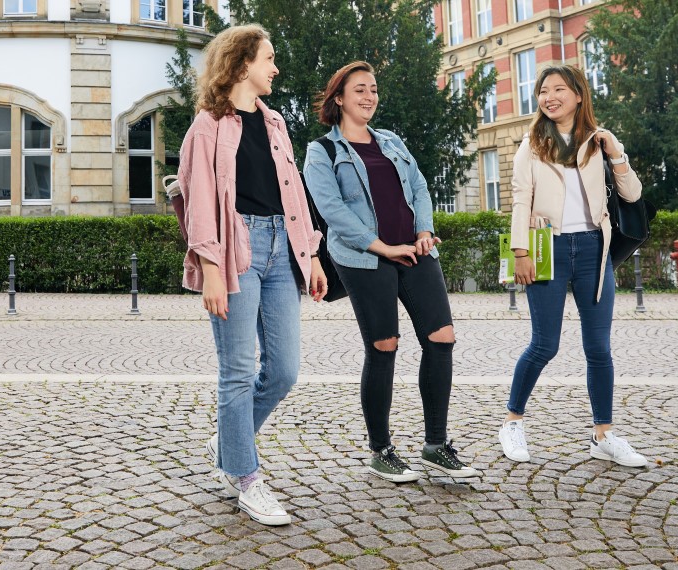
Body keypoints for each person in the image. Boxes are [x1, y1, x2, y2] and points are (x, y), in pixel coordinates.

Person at [177, 24, 328, 526]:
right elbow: (199, 204)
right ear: (242, 64)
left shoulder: (276, 123)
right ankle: (245, 476)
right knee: (238, 370)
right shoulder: (206, 126)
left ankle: (228, 440)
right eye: (269, 58)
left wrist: (311, 257)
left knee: (283, 370)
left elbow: (295, 195)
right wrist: (212, 270)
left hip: (281, 251)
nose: (275, 67)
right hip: (234, 250)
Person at [303, 61, 479, 483]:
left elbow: (419, 186)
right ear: (339, 98)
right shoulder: (321, 152)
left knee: (442, 338)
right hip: (365, 259)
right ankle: (381, 449)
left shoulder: (392, 141)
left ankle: (436, 446)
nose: (369, 97)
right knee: (384, 346)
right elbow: (333, 212)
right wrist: (382, 246)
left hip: (416, 253)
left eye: (374, 89)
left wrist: (423, 229)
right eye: (360, 90)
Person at [499, 65, 647, 468]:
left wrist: (617, 153)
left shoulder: (598, 143)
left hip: (594, 250)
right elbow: (520, 200)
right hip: (548, 247)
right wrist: (520, 251)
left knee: (598, 348)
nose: (549, 97)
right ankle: (512, 422)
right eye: (543, 90)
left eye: (559, 89)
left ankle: (603, 434)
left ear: (578, 95)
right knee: (544, 344)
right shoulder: (532, 144)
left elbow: (632, 194)